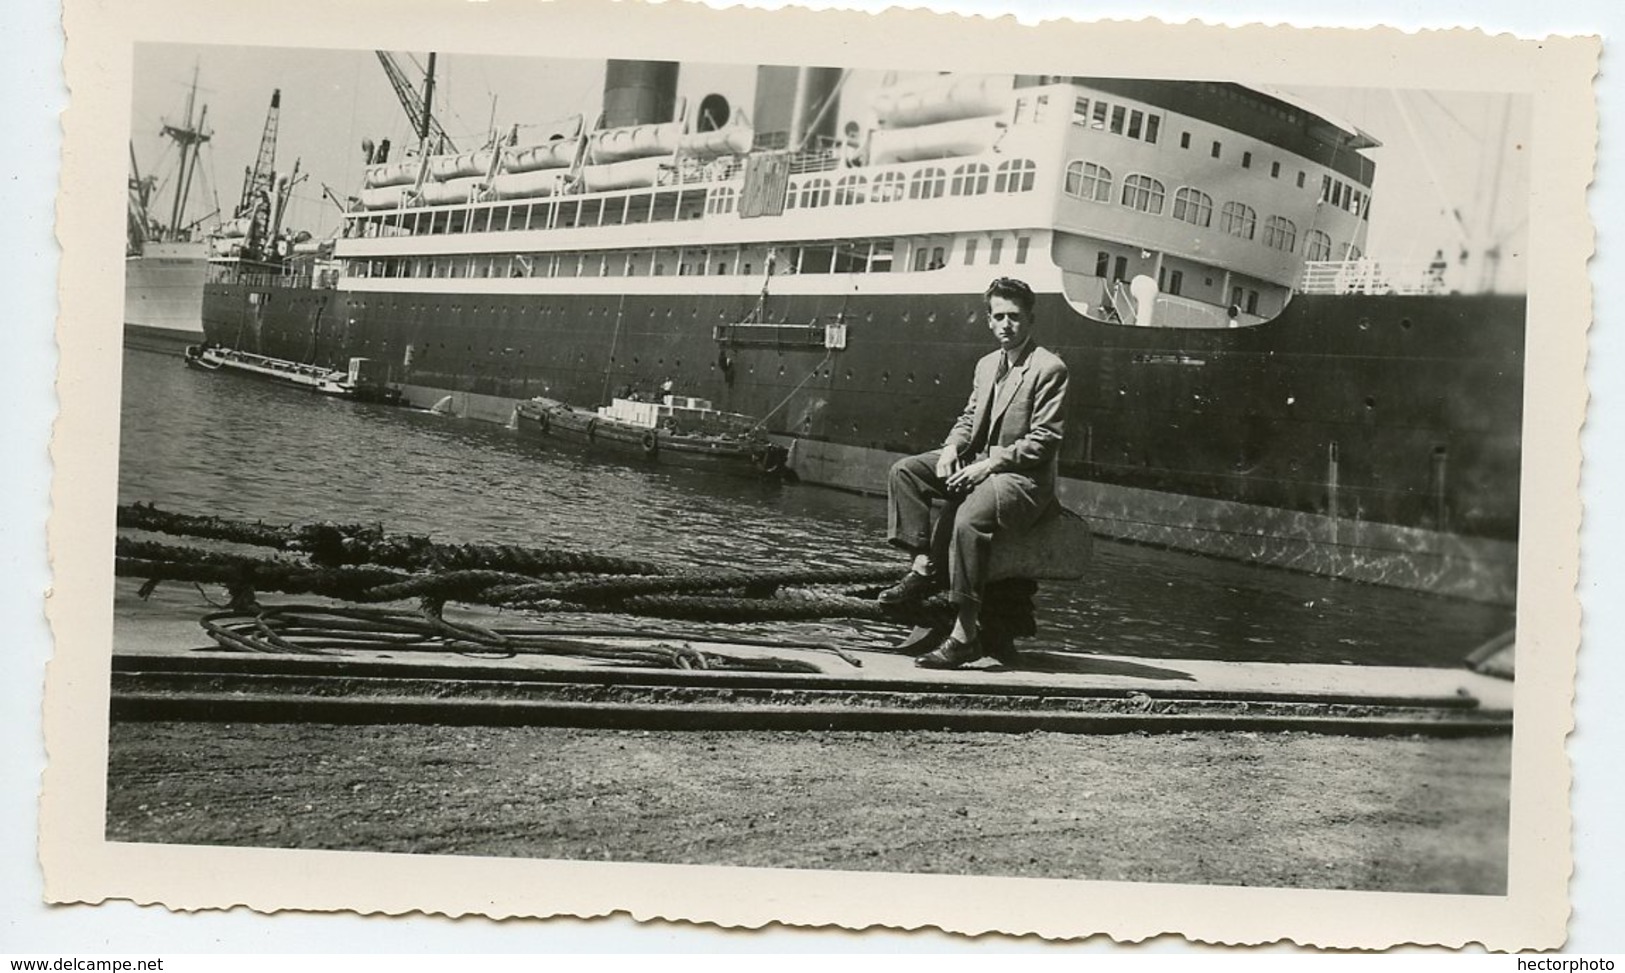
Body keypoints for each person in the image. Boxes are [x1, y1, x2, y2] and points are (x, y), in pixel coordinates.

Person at [879, 277, 1069, 669]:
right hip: (977, 463)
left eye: (1014, 317)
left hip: (1022, 478)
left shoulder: (1049, 368)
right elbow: (969, 418)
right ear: (989, 320)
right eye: (998, 316)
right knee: (906, 472)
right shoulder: (986, 365)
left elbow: (1044, 440)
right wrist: (951, 448)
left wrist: (988, 464)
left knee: (968, 521)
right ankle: (922, 567)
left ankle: (964, 636)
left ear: (1030, 319)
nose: (1006, 325)